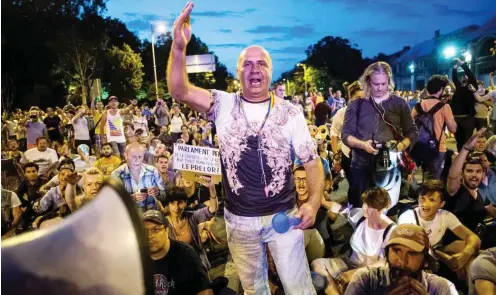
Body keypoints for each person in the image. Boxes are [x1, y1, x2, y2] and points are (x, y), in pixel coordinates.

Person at [167, 3, 324, 294]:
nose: (255, 69)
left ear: (270, 71)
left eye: (261, 63)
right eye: (247, 64)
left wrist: (313, 203)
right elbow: (179, 90)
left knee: (298, 287)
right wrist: (178, 48)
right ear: (238, 71)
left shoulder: (290, 113)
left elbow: (312, 162)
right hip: (239, 221)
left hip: (284, 217)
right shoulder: (222, 104)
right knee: (254, 290)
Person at [342, 61, 418, 208]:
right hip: (361, 164)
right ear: (368, 81)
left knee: (387, 208)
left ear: (389, 81)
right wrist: (362, 144)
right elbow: (346, 135)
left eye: (383, 84)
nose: (380, 88)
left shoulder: (400, 103)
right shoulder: (355, 104)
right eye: (376, 84)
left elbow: (412, 131)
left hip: (389, 163)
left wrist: (402, 145)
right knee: (362, 208)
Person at [313, 187, 395, 295]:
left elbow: (382, 263)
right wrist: (323, 201)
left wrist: (354, 273)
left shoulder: (390, 231)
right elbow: (341, 209)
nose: (364, 207)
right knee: (317, 264)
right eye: (364, 203)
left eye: (369, 206)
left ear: (381, 210)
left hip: (369, 273)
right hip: (350, 263)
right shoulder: (360, 215)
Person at [344, 224, 458, 295]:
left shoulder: (442, 288)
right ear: (387, 253)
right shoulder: (366, 279)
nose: (402, 261)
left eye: (412, 253)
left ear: (426, 261)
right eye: (396, 250)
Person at [143, 210, 214, 295]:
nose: (149, 236)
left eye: (156, 229)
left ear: (167, 231)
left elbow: (205, 291)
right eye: (144, 231)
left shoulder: (185, 255)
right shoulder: (138, 261)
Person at [445, 128, 496, 235]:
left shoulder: (481, 195)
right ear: (462, 173)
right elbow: (452, 176)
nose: (474, 175)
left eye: (478, 171)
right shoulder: (456, 191)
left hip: (481, 239)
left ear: (483, 175)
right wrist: (466, 148)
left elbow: (493, 212)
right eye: (469, 171)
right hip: (458, 242)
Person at [411, 75, 457, 180]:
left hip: (421, 146)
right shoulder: (445, 107)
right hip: (438, 147)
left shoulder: (418, 106)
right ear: (441, 89)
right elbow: (452, 129)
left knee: (425, 176)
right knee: (435, 180)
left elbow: (409, 125)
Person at [165, 185, 217, 270]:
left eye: (180, 202)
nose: (176, 207)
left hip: (196, 265)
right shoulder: (163, 224)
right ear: (168, 204)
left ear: (186, 202)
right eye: (172, 203)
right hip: (177, 269)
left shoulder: (191, 217)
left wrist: (212, 189)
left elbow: (213, 209)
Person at [111, 142, 166, 212]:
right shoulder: (116, 175)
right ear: (125, 155)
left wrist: (158, 192)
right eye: (134, 157)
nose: (137, 160)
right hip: (129, 216)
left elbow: (165, 195)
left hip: (151, 216)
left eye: (140, 157)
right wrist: (131, 199)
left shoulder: (153, 171)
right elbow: (112, 202)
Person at [331, 81, 363, 183]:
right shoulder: (341, 113)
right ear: (350, 98)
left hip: (367, 157)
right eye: (358, 98)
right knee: (354, 188)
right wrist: (336, 158)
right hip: (348, 157)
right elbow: (334, 134)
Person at [450, 58, 478, 152]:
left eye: (467, 77)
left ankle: (467, 161)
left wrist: (463, 65)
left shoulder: (471, 88)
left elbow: (471, 76)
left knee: (467, 142)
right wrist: (454, 68)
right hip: (457, 118)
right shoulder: (459, 88)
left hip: (467, 118)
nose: (465, 77)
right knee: (459, 141)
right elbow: (454, 78)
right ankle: (460, 161)